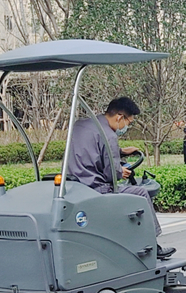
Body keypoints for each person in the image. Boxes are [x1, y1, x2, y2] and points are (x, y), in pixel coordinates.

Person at [67, 97, 175, 260]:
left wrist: (121, 151)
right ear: (119, 117)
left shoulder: (81, 125)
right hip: (96, 188)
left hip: (75, 185)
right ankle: (154, 245)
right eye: (128, 123)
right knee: (141, 194)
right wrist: (120, 171)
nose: (126, 127)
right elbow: (111, 174)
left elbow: (95, 147)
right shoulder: (109, 135)